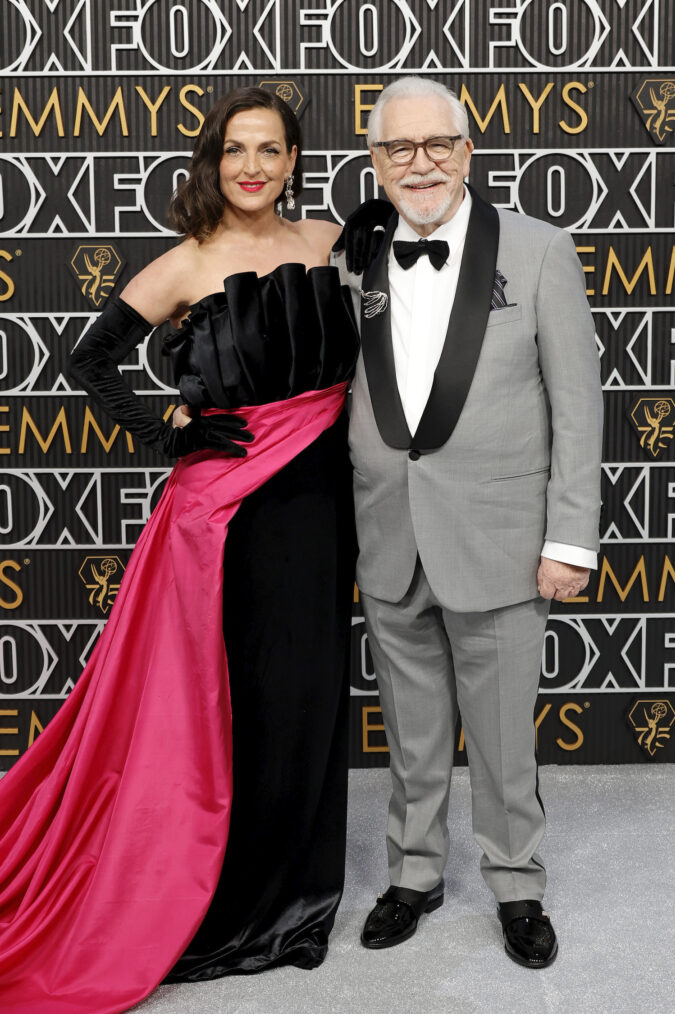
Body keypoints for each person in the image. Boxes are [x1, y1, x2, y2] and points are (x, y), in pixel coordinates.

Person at [0, 87, 359, 1013]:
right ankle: (234, 902)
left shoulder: (333, 242)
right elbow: (87, 361)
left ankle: (298, 901)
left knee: (310, 689)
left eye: (270, 150)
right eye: (236, 149)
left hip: (322, 501)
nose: (252, 166)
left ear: (291, 161)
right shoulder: (183, 263)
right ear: (215, 160)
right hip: (227, 510)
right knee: (231, 699)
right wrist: (169, 432)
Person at [334, 76, 603, 968]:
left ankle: (516, 882)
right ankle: (412, 873)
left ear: (466, 152)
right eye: (399, 149)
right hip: (390, 535)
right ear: (376, 163)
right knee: (410, 728)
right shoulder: (354, 257)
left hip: (501, 535)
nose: (421, 164)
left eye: (437, 145)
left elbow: (577, 403)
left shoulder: (535, 250)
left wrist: (569, 539)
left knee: (499, 729)